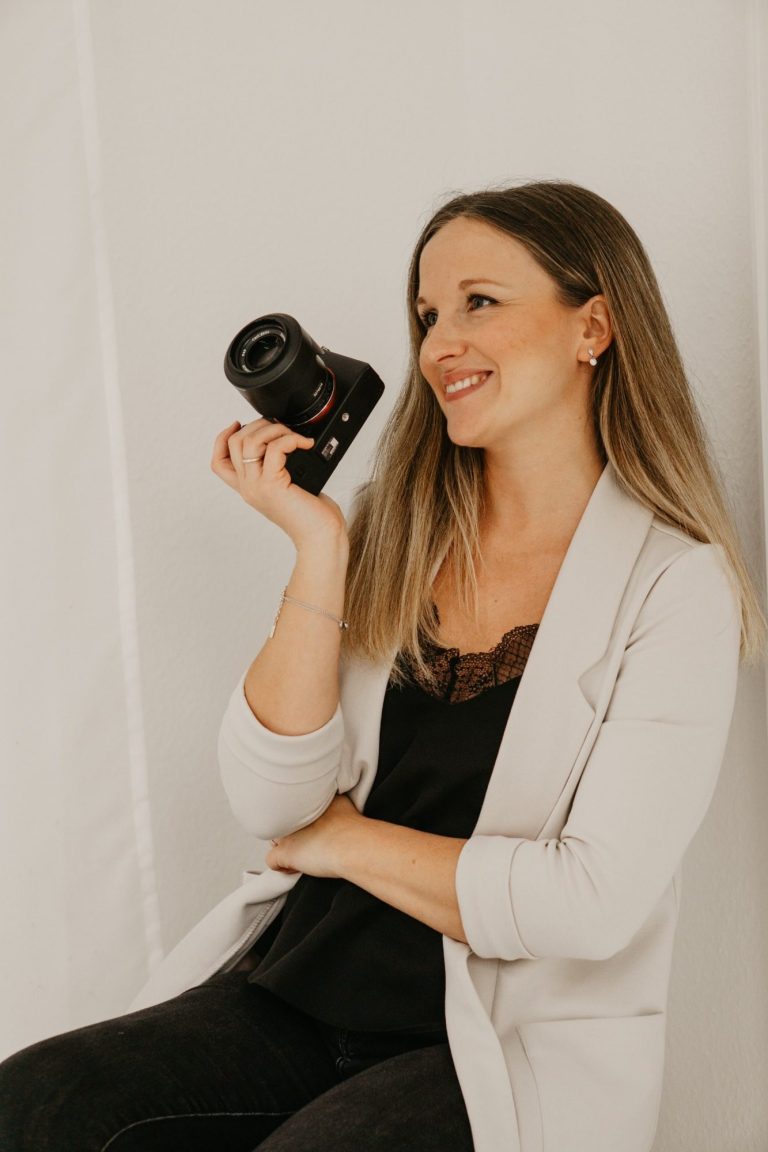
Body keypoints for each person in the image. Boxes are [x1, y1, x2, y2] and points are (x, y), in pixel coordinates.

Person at [0, 180, 764, 1152]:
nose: (441, 343)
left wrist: (346, 844)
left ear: (594, 326)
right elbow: (273, 804)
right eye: (428, 314)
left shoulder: (674, 586)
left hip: (489, 1040)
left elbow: (589, 901)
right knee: (36, 1104)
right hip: (300, 991)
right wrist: (319, 548)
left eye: (480, 301)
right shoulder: (388, 534)